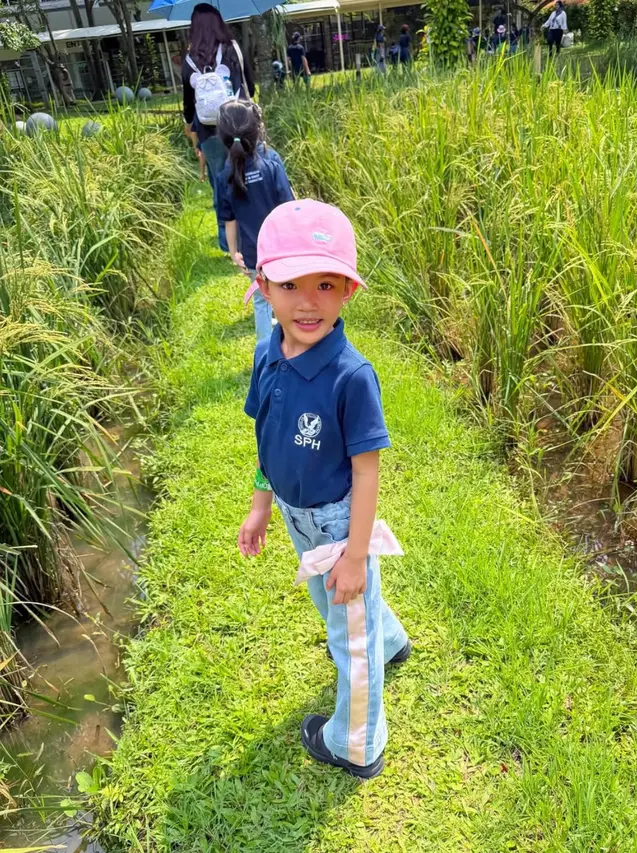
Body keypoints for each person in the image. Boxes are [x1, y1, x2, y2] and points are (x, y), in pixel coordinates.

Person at [238, 199, 411, 778]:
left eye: (326, 284)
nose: (307, 302)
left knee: (348, 640)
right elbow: (267, 437)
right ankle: (389, 639)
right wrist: (261, 506)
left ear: (348, 291)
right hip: (295, 516)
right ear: (264, 286)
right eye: (291, 284)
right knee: (338, 609)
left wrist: (357, 555)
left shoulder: (351, 377)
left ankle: (357, 743)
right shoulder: (268, 354)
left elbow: (367, 472)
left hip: (338, 526)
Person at [215, 100, 294, 341]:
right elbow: (288, 206)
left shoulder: (224, 174)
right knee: (288, 292)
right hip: (282, 248)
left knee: (261, 300)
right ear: (257, 128)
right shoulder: (271, 161)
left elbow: (229, 220)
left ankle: (264, 352)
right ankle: (293, 343)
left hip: (253, 253)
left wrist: (234, 252)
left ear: (222, 137)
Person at [182, 4, 255, 252]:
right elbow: (250, 86)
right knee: (248, 174)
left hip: (208, 131)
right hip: (240, 124)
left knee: (220, 183)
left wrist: (189, 125)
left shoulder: (190, 60)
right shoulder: (232, 48)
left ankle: (228, 244)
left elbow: (188, 103)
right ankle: (254, 232)